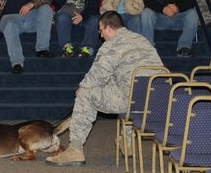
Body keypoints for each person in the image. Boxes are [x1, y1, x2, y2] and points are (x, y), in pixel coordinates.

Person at [45, 11, 164, 166]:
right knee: (124, 86)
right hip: (158, 101)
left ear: (109, 28)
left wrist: (82, 89)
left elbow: (97, 75)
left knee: (86, 94)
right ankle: (127, 144)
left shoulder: (111, 45)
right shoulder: (141, 39)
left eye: (100, 30)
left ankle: (75, 150)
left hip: (132, 101)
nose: (100, 35)